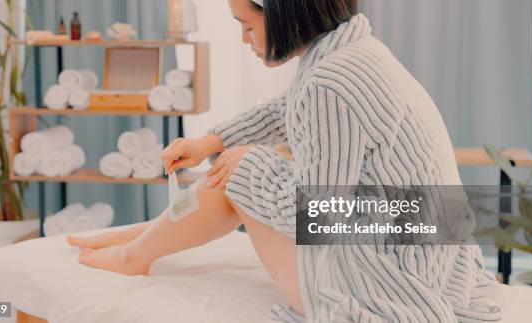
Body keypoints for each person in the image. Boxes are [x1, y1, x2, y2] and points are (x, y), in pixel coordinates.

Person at [68, 0, 502, 321]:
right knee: (239, 166)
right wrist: (211, 140)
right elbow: (285, 109)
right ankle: (143, 240)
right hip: (425, 257)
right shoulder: (351, 50)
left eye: (247, 26)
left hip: (389, 281)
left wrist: (247, 164)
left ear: (283, 14)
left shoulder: (330, 81)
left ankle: (136, 253)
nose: (244, 40)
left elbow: (317, 215)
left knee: (242, 170)